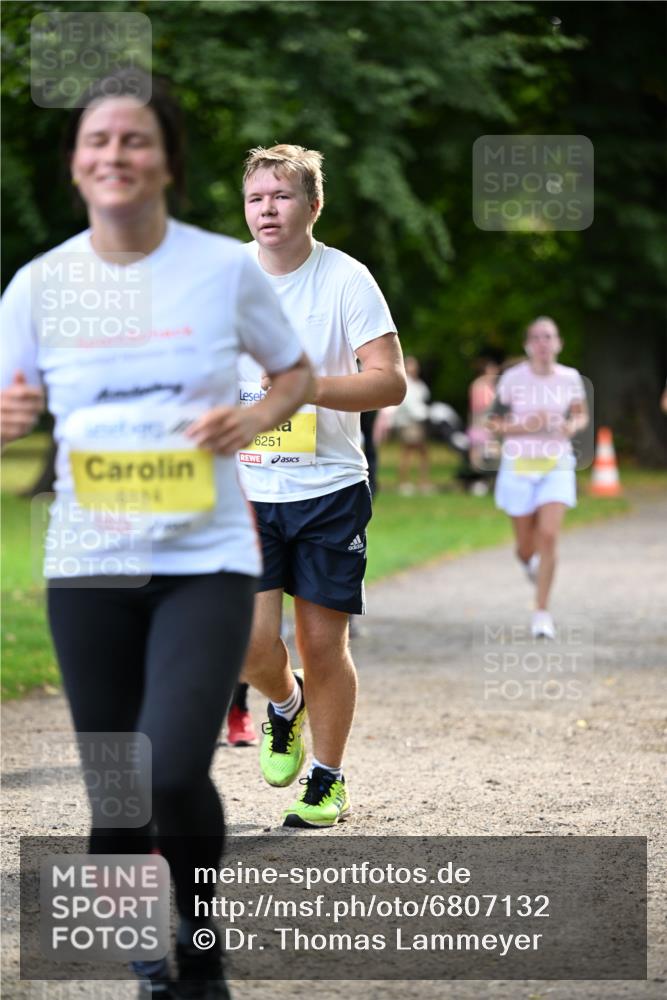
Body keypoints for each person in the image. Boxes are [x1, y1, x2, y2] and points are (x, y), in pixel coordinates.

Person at [0, 71, 311, 999]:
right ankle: (152, 968)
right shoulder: (39, 284)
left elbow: (293, 375)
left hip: (202, 562)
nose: (114, 155)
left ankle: (203, 959)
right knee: (118, 796)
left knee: (171, 767)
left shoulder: (221, 268)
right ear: (76, 163)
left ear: (167, 160)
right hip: (90, 566)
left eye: (134, 140)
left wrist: (252, 422)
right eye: (98, 141)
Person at [237, 144, 406, 829]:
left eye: (280, 195)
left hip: (328, 486)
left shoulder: (346, 279)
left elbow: (388, 381)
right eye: (255, 198)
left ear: (312, 204)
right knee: (246, 645)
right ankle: (284, 705)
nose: (266, 209)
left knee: (319, 642)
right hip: (245, 486)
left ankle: (327, 780)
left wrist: (308, 388)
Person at [488, 317, 588, 639]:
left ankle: (542, 612)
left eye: (549, 336)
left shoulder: (570, 378)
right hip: (519, 463)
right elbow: (494, 423)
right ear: (528, 344)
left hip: (556, 462)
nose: (543, 343)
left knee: (548, 535)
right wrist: (529, 424)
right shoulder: (512, 379)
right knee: (525, 547)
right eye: (537, 337)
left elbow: (580, 413)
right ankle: (530, 563)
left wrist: (571, 426)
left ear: (558, 342)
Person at [393, 355, 432, 495]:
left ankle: (423, 482)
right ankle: (404, 483)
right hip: (408, 422)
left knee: (422, 453)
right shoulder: (405, 383)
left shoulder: (420, 385)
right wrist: (425, 413)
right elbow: (409, 406)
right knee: (408, 452)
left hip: (418, 422)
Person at [466, 349, 502, 495]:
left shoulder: (495, 386)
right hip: (481, 423)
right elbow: (480, 407)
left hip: (493, 425)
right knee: (479, 455)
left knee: (494, 454)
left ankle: (491, 482)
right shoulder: (479, 385)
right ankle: (480, 482)